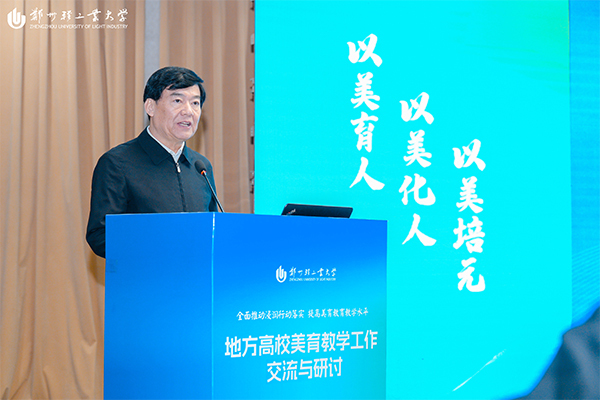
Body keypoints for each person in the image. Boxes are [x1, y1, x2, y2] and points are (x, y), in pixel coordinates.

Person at [86, 66, 218, 258]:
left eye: (195, 103)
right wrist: (160, 248)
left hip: (199, 276)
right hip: (146, 274)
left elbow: (214, 231)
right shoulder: (117, 164)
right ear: (150, 107)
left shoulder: (201, 167)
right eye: (178, 101)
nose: (188, 111)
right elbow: (101, 236)